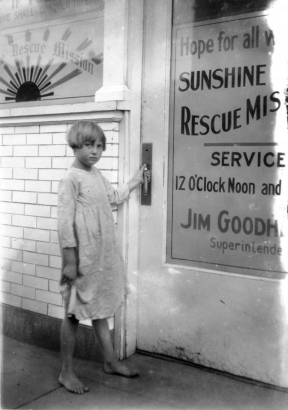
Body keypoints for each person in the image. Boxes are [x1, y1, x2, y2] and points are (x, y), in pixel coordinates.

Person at [57, 120, 149, 394]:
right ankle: (66, 372)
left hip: (100, 256)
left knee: (99, 309)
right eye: (88, 145)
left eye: (99, 146)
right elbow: (64, 224)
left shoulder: (95, 174)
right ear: (75, 145)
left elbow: (113, 196)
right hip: (81, 259)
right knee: (73, 314)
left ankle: (110, 361)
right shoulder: (70, 179)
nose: (94, 151)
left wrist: (135, 181)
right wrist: (71, 262)